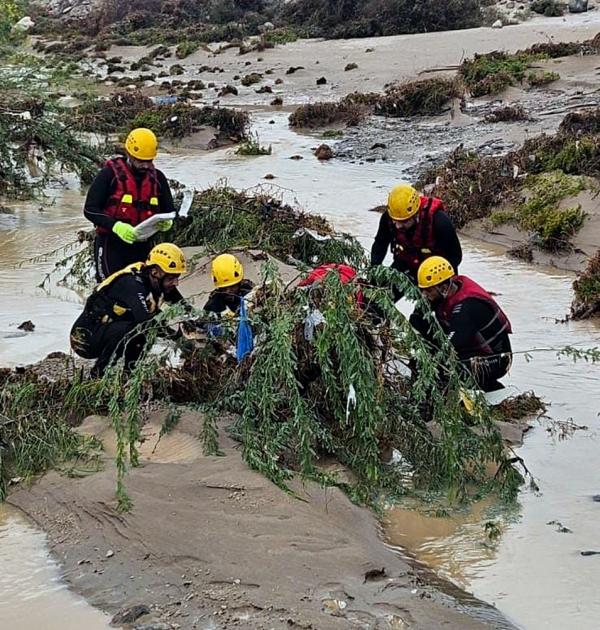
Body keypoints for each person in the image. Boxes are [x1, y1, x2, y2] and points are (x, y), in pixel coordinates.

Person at [70, 243, 187, 377]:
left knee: (140, 329)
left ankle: (129, 373)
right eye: (171, 278)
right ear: (155, 272)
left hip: (106, 329)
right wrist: (177, 336)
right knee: (138, 329)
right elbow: (146, 322)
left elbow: (183, 306)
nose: (176, 283)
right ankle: (98, 374)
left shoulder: (156, 280)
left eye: (177, 278)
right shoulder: (132, 285)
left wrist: (196, 322)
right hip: (84, 340)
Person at [84, 127, 176, 282]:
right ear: (129, 154)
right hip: (110, 244)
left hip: (143, 246)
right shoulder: (109, 175)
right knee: (110, 287)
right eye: (140, 161)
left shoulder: (158, 178)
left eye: (149, 161)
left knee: (142, 289)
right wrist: (116, 226)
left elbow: (169, 210)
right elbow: (90, 209)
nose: (145, 166)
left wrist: (167, 222)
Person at [412, 256, 513, 392]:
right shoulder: (442, 295)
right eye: (422, 290)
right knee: (420, 356)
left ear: (444, 287)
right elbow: (416, 321)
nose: (424, 295)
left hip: (496, 360)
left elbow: (450, 346)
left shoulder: (467, 307)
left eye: (428, 290)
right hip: (469, 349)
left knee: (444, 369)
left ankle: (488, 389)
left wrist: (430, 362)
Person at [370, 183, 462, 299]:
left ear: (416, 214)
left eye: (404, 221)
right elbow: (380, 244)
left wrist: (436, 282)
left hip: (435, 273)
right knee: (379, 299)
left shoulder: (439, 222)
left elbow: (455, 256)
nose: (398, 226)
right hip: (406, 263)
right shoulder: (388, 218)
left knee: (426, 309)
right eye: (395, 221)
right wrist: (374, 272)